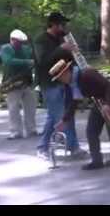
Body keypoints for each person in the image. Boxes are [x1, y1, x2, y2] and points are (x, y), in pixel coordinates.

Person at [49, 59, 110, 174]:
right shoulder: (72, 84)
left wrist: (107, 105)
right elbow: (74, 102)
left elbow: (108, 86)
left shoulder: (87, 74)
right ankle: (97, 161)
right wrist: (64, 120)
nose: (61, 81)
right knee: (91, 131)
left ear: (66, 72)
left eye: (60, 77)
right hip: (98, 102)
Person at [34, 12, 87, 160]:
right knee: (63, 116)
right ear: (54, 25)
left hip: (65, 81)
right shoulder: (41, 40)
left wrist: (74, 52)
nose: (64, 28)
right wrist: (61, 49)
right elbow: (43, 61)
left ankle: (42, 147)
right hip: (49, 83)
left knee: (55, 117)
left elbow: (67, 59)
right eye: (62, 25)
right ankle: (73, 147)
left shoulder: (61, 39)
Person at [0, 29, 38, 140]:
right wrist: (27, 62)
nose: (20, 44)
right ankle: (15, 131)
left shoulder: (26, 49)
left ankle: (31, 129)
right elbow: (8, 61)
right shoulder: (6, 49)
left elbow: (35, 58)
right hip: (12, 82)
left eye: (21, 42)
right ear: (12, 40)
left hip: (27, 81)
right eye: (18, 41)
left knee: (31, 107)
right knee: (13, 108)